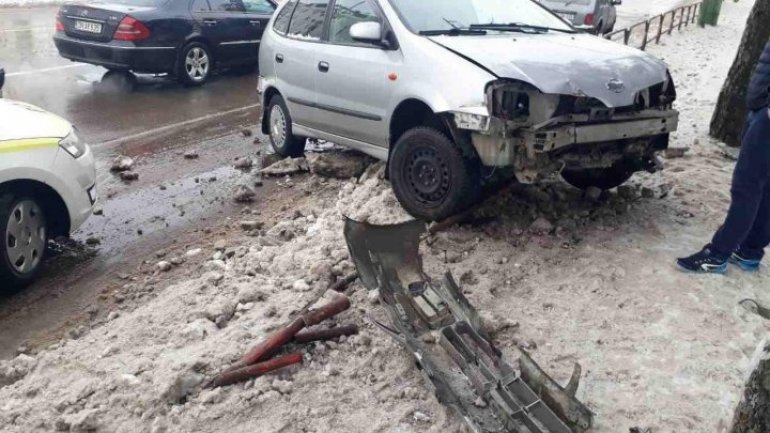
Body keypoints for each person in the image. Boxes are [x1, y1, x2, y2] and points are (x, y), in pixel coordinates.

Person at [678, 39, 770, 273]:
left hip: (766, 117)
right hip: (762, 106)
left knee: (746, 186)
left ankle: (718, 254)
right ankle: (749, 251)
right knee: (764, 185)